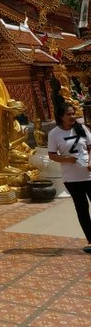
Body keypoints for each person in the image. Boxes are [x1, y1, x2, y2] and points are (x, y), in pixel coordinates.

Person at [48, 101, 91, 253]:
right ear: (61, 116)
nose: (72, 117)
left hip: (89, 175)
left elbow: (90, 147)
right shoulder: (54, 134)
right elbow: (52, 155)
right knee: (82, 209)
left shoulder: (81, 128)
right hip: (72, 178)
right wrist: (67, 159)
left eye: (73, 114)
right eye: (69, 114)